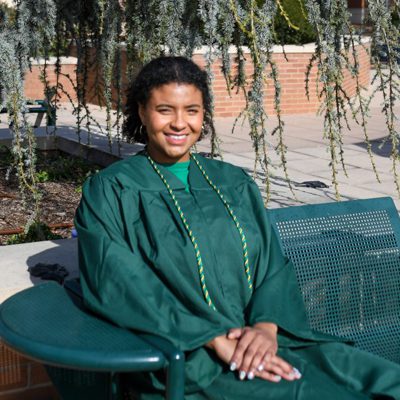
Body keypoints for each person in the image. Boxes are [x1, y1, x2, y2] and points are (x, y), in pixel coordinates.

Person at [75, 56, 400, 399]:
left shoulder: (231, 181)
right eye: (165, 110)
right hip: (193, 358)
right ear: (142, 112)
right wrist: (214, 338)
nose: (179, 123)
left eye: (192, 110)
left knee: (386, 379)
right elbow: (121, 281)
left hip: (273, 341)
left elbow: (271, 265)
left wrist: (266, 326)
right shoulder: (111, 192)